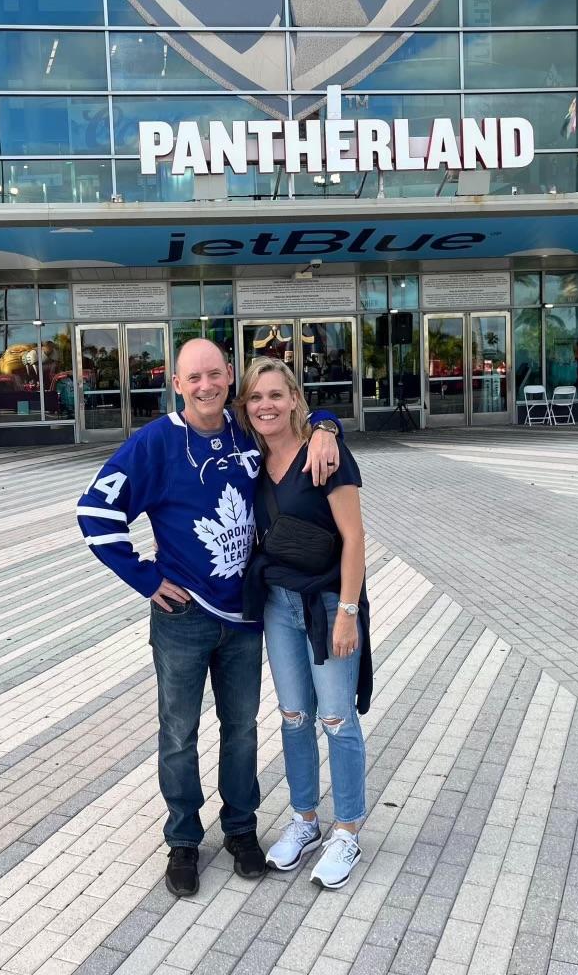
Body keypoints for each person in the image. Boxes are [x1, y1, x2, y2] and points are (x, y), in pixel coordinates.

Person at [76, 339, 341, 898]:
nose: (206, 386)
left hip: (245, 614)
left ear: (229, 380)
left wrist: (328, 423)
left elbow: (290, 412)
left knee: (242, 731)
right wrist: (147, 579)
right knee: (179, 732)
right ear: (177, 383)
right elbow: (95, 512)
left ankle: (241, 830)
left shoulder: (246, 428)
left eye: (216, 375)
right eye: (193, 377)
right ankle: (183, 841)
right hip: (183, 616)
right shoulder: (156, 443)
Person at [236, 357, 372, 890]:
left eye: (275, 394)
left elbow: (355, 539)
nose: (265, 405)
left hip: (327, 603)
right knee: (293, 715)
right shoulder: (250, 459)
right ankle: (305, 821)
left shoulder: (328, 454)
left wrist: (348, 611)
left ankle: (348, 829)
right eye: (254, 398)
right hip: (277, 605)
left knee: (336, 718)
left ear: (295, 398)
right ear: (245, 408)